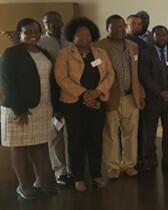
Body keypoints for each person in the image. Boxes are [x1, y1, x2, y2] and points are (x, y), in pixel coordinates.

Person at [1, 18, 60, 199]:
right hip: (19, 110)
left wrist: (56, 107)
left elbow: (51, 82)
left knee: (41, 147)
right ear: (20, 35)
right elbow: (8, 83)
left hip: (43, 108)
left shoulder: (44, 53)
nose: (32, 35)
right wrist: (20, 109)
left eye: (35, 31)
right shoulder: (11, 54)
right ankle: (25, 187)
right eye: (27, 32)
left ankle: (42, 182)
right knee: (19, 148)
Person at [55, 17, 114, 192]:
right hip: (73, 103)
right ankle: (78, 177)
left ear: (93, 35)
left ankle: (96, 174)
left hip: (96, 101)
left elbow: (110, 75)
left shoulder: (101, 53)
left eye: (87, 35)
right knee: (76, 140)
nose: (84, 38)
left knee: (95, 138)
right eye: (79, 35)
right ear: (72, 36)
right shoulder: (64, 54)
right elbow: (61, 78)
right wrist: (83, 93)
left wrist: (97, 91)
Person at [95, 15, 145, 179]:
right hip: (110, 96)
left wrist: (140, 92)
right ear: (107, 28)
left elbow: (136, 72)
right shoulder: (98, 47)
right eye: (114, 27)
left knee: (131, 132)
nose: (119, 30)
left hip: (131, 96)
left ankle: (129, 164)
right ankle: (113, 166)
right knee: (111, 133)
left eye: (121, 26)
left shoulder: (133, 46)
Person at [139, 25, 168, 170]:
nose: (161, 37)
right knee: (149, 133)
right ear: (152, 37)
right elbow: (145, 76)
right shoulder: (145, 54)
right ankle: (149, 159)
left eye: (164, 35)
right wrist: (160, 91)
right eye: (158, 35)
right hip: (153, 100)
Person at [37, 11, 74, 187]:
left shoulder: (69, 42)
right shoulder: (39, 43)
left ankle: (72, 169)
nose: (52, 24)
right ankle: (60, 171)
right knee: (55, 134)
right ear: (44, 25)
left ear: (62, 21)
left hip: (71, 93)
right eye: (48, 22)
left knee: (71, 134)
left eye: (55, 21)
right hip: (51, 94)